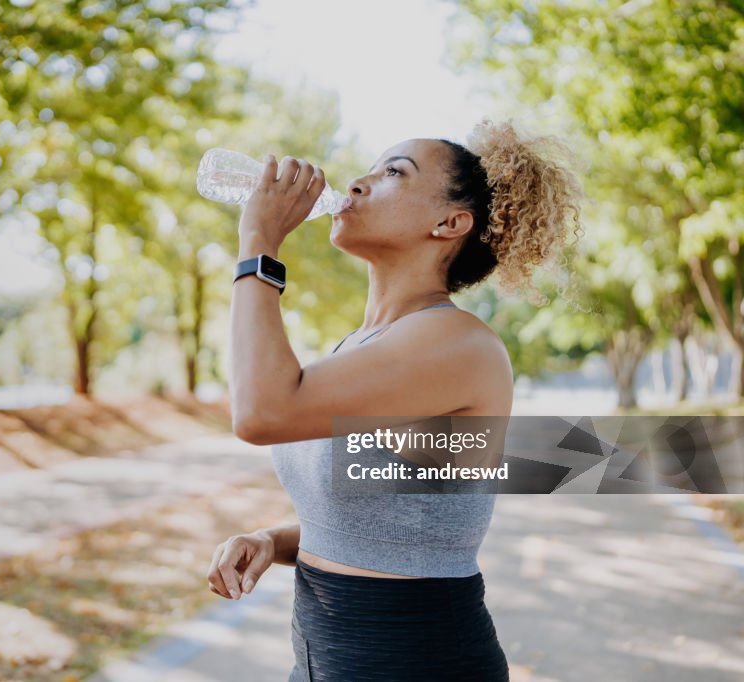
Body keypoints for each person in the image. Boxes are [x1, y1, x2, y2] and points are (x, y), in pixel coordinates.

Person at [206, 119, 583, 681]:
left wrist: (258, 244)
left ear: (450, 223)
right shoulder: (361, 346)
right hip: (319, 661)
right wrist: (272, 540)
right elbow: (392, 522)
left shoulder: (458, 345)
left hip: (418, 661)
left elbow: (262, 413)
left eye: (393, 173)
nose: (357, 183)